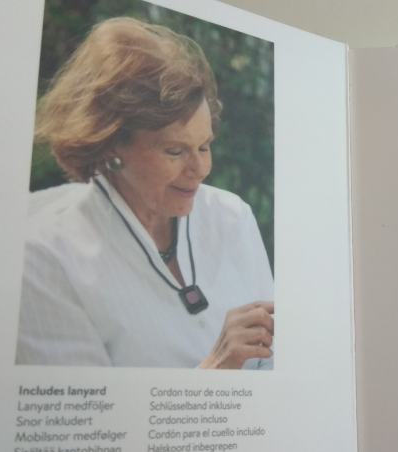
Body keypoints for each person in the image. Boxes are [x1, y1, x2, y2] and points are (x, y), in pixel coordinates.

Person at [16, 17, 274, 369]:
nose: (200, 168)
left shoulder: (232, 217)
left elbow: (274, 366)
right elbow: (84, 406)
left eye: (204, 145)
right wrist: (216, 367)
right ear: (110, 144)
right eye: (174, 151)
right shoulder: (46, 257)